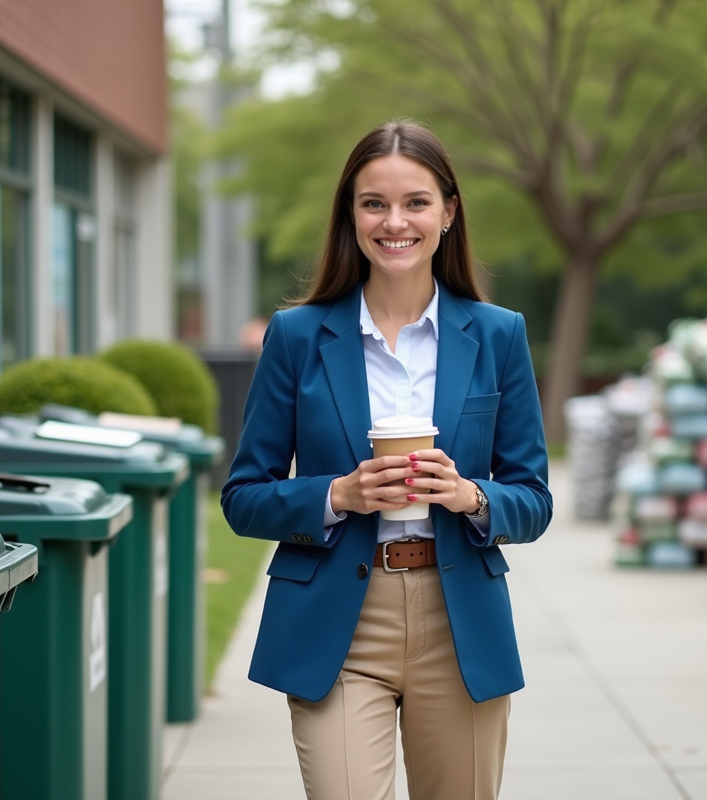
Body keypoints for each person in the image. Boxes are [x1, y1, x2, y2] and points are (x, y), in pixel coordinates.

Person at [222, 120, 553, 800]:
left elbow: (534, 499)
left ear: (449, 213)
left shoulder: (498, 335)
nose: (394, 222)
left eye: (416, 202)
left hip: (458, 620)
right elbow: (243, 495)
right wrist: (337, 494)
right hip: (339, 623)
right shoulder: (295, 336)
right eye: (374, 202)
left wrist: (470, 496)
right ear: (351, 213)